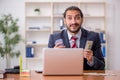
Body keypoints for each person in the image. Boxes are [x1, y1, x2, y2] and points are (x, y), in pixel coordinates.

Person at [48, 6, 105, 70]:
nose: (73, 22)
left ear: (82, 20)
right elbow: (48, 67)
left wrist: (91, 59)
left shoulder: (93, 37)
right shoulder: (54, 37)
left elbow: (102, 66)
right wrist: (53, 55)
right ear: (64, 21)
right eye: (69, 18)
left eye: (77, 18)